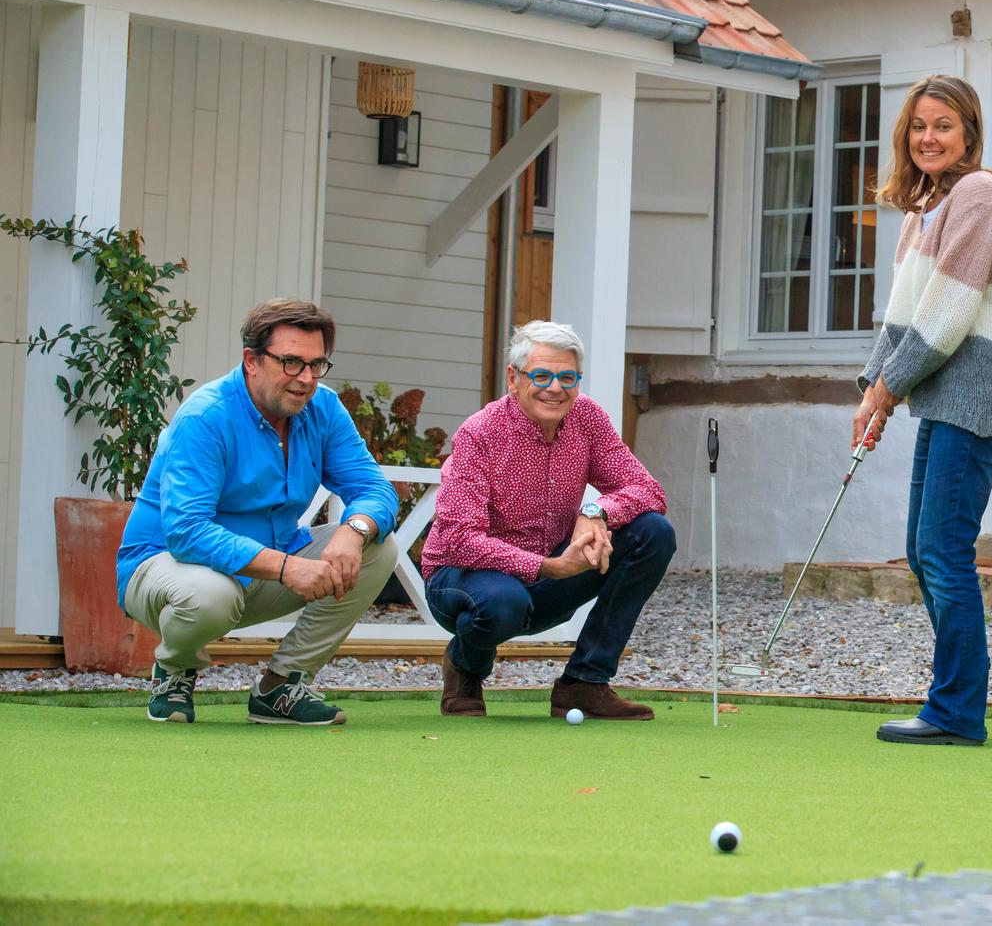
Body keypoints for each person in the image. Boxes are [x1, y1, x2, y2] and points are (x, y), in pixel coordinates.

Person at [854, 75, 992, 747]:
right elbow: (904, 315)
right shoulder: (923, 208)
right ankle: (958, 696)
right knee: (921, 547)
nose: (928, 137)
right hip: (946, 392)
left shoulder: (981, 195)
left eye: (943, 125)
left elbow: (951, 312)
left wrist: (890, 391)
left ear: (969, 134)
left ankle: (956, 709)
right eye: (919, 125)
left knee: (941, 547)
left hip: (982, 389)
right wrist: (871, 387)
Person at [119, 299, 400, 726]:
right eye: (290, 362)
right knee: (209, 594)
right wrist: (286, 567)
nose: (305, 379)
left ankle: (281, 686)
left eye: (316, 364)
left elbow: (373, 487)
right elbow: (186, 531)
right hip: (165, 570)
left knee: (380, 547)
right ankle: (175, 671)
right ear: (252, 360)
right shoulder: (207, 415)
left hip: (263, 569)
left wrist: (355, 529)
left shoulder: (323, 408)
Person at [422, 320, 674, 720]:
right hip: (463, 579)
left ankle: (584, 683)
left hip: (553, 574)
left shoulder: (588, 418)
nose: (555, 388)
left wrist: (595, 513)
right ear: (514, 378)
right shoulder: (480, 433)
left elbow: (648, 490)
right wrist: (546, 567)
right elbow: (459, 539)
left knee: (653, 533)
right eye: (541, 375)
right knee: (504, 601)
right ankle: (465, 667)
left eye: (567, 377)